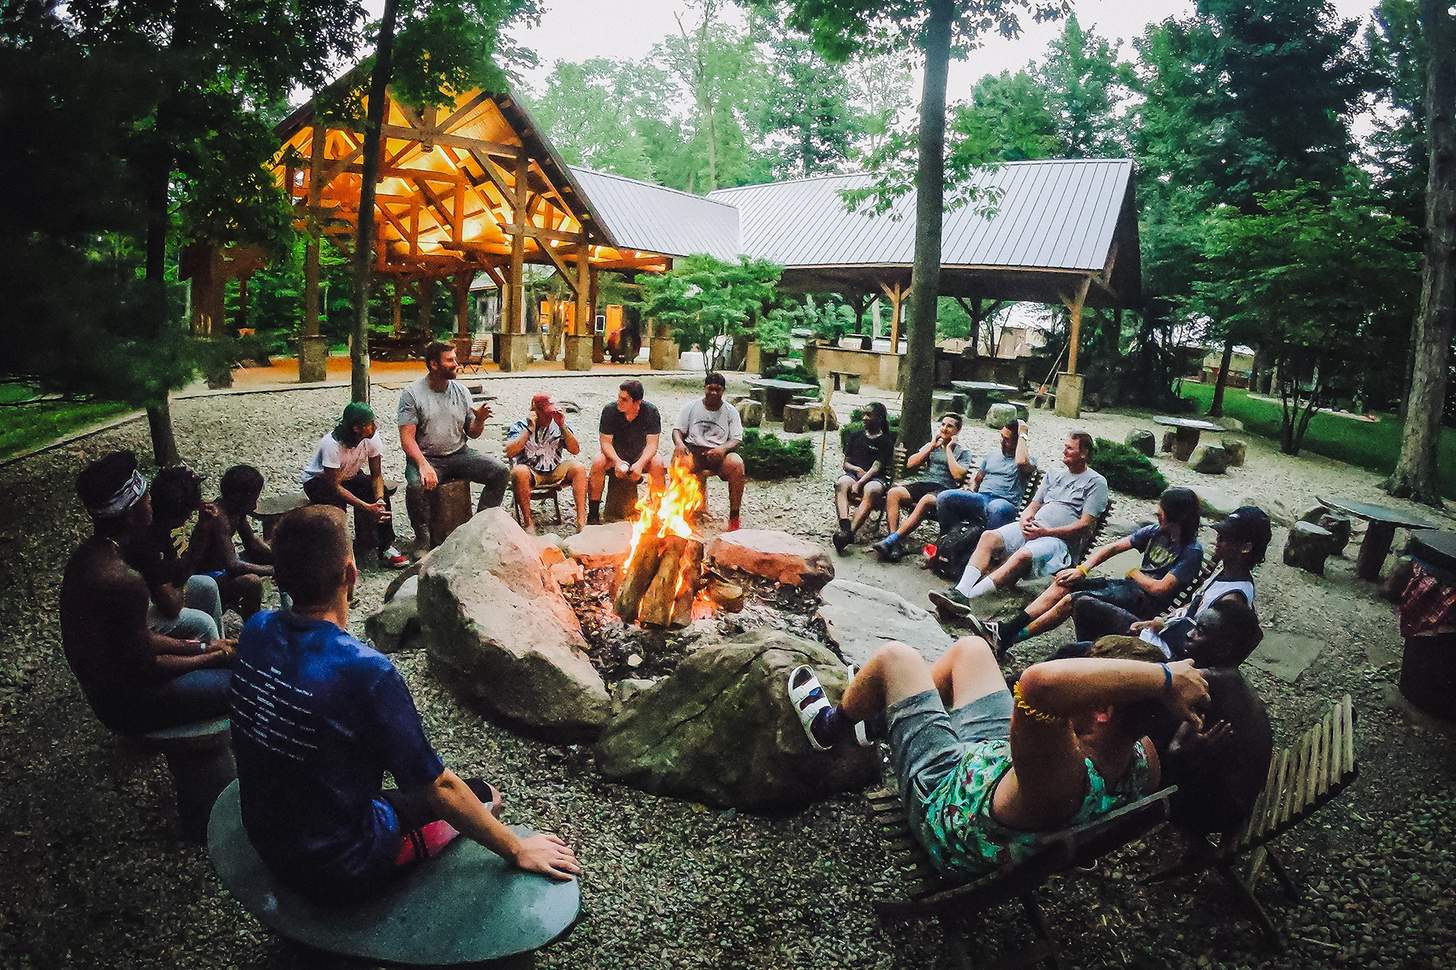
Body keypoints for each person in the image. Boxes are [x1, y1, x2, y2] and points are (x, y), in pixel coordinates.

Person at [230, 506, 581, 902]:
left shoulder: (256, 630)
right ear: (351, 574)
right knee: (484, 796)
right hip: (339, 863)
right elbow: (438, 785)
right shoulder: (365, 671)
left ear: (280, 575)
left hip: (267, 834)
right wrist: (517, 848)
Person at [786, 634, 1207, 878]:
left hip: (947, 800)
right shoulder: (1142, 756)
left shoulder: (1059, 779)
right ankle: (881, 722)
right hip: (998, 764)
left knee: (897, 658)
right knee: (971, 648)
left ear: (1102, 710)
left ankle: (830, 728)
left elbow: (1038, 685)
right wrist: (1158, 688)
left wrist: (1165, 676)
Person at [60, 451, 235, 734]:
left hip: (114, 687)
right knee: (245, 680)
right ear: (131, 512)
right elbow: (148, 668)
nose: (152, 503)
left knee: (219, 655)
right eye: (146, 499)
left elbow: (137, 640)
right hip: (129, 705)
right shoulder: (121, 579)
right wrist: (212, 658)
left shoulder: (91, 553)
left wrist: (204, 647)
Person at [959, 487, 1205, 657]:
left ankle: (1008, 638)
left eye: (1161, 509)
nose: (1156, 512)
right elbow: (1113, 547)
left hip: (1142, 605)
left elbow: (1160, 589)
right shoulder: (1156, 531)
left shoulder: (1191, 552)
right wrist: (1082, 569)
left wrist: (1134, 572)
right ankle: (1005, 630)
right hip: (1126, 589)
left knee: (1071, 600)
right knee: (1064, 582)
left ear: (1176, 515)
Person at [929, 432, 1108, 613]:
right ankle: (961, 591)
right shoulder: (1055, 474)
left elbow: (1085, 525)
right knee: (989, 536)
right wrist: (1025, 520)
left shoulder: (1096, 482)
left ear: (1084, 453)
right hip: (1034, 528)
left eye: (1069, 448)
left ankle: (970, 597)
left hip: (1058, 542)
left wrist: (1046, 532)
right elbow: (1034, 505)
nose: (1064, 451)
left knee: (1022, 555)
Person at [1077, 506, 1271, 659]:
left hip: (1163, 655)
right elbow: (1190, 609)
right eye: (1220, 534)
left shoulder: (1233, 599)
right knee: (1084, 606)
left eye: (1226, 538)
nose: (1217, 540)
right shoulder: (1225, 573)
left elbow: (1202, 650)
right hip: (1156, 635)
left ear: (1245, 547)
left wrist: (1159, 627)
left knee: (1082, 636)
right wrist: (1150, 623)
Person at [398, 340, 510, 548]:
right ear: (434, 364)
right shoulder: (412, 394)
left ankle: (479, 528)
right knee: (415, 486)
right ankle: (423, 539)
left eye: (455, 359)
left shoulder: (461, 392)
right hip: (427, 457)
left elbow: (472, 433)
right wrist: (423, 465)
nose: (456, 364)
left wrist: (480, 420)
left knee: (500, 472)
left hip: (459, 454)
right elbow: (407, 438)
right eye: (450, 360)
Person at [300, 401, 409, 568]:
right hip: (321, 480)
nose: (375, 426)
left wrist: (378, 500)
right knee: (336, 508)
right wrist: (366, 507)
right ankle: (338, 553)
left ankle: (385, 547)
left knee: (382, 495)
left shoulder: (371, 438)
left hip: (349, 474)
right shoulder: (331, 445)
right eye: (369, 424)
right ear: (356, 428)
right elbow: (334, 486)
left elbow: (377, 475)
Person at [873, 413, 973, 562]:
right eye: (943, 424)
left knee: (926, 500)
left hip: (944, 490)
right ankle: (893, 542)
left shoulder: (963, 452)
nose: (944, 428)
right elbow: (910, 463)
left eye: (949, 426)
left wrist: (949, 450)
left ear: (957, 431)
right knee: (894, 493)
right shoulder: (932, 445)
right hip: (924, 483)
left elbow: (958, 476)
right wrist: (931, 447)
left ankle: (892, 540)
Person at [190, 464, 275, 620]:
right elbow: (233, 565)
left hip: (222, 569)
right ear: (239, 496)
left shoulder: (236, 511)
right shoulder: (218, 517)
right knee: (252, 582)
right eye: (253, 499)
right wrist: (271, 570)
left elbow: (252, 543)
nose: (255, 505)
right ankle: (252, 623)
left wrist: (279, 559)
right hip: (206, 578)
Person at [934, 419, 1036, 537]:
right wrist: (971, 489)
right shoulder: (992, 455)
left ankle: (984, 550)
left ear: (1018, 442)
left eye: (1007, 440)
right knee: (944, 497)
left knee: (996, 508)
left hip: (1004, 502)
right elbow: (977, 479)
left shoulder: (1028, 460)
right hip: (981, 498)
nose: (1002, 442)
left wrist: (1023, 434)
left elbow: (1022, 462)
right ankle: (947, 539)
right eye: (1001, 437)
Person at [672, 372, 745, 531]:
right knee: (679, 460)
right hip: (694, 451)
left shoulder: (730, 411)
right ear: (704, 388)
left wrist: (723, 449)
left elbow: (736, 439)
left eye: (717, 389)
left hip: (719, 455)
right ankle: (677, 512)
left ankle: (734, 517)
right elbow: (677, 430)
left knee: (737, 464)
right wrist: (679, 443)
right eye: (710, 388)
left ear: (723, 391)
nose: (713, 392)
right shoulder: (691, 407)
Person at [505, 393, 588, 531]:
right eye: (546, 414)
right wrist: (528, 430)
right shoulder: (520, 426)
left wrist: (563, 427)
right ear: (535, 411)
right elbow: (509, 452)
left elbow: (575, 450)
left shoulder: (558, 424)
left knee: (579, 468)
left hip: (554, 468)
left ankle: (581, 521)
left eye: (551, 413)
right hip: (531, 472)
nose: (550, 417)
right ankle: (528, 522)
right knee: (519, 472)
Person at [589, 379, 667, 524]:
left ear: (637, 402)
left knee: (658, 463)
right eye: (619, 397)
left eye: (624, 399)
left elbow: (652, 445)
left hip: (640, 453)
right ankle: (593, 514)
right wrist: (617, 461)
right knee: (597, 462)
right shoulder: (610, 411)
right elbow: (605, 443)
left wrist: (640, 463)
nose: (619, 402)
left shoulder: (651, 412)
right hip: (615, 454)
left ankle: (657, 512)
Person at [832, 401, 895, 554]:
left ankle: (849, 533)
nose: (865, 418)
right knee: (841, 483)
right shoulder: (856, 436)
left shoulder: (886, 441)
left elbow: (876, 467)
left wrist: (859, 483)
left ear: (879, 418)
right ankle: (845, 526)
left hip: (875, 478)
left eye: (869, 415)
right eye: (864, 414)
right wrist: (857, 470)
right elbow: (846, 464)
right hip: (855, 474)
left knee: (871, 490)